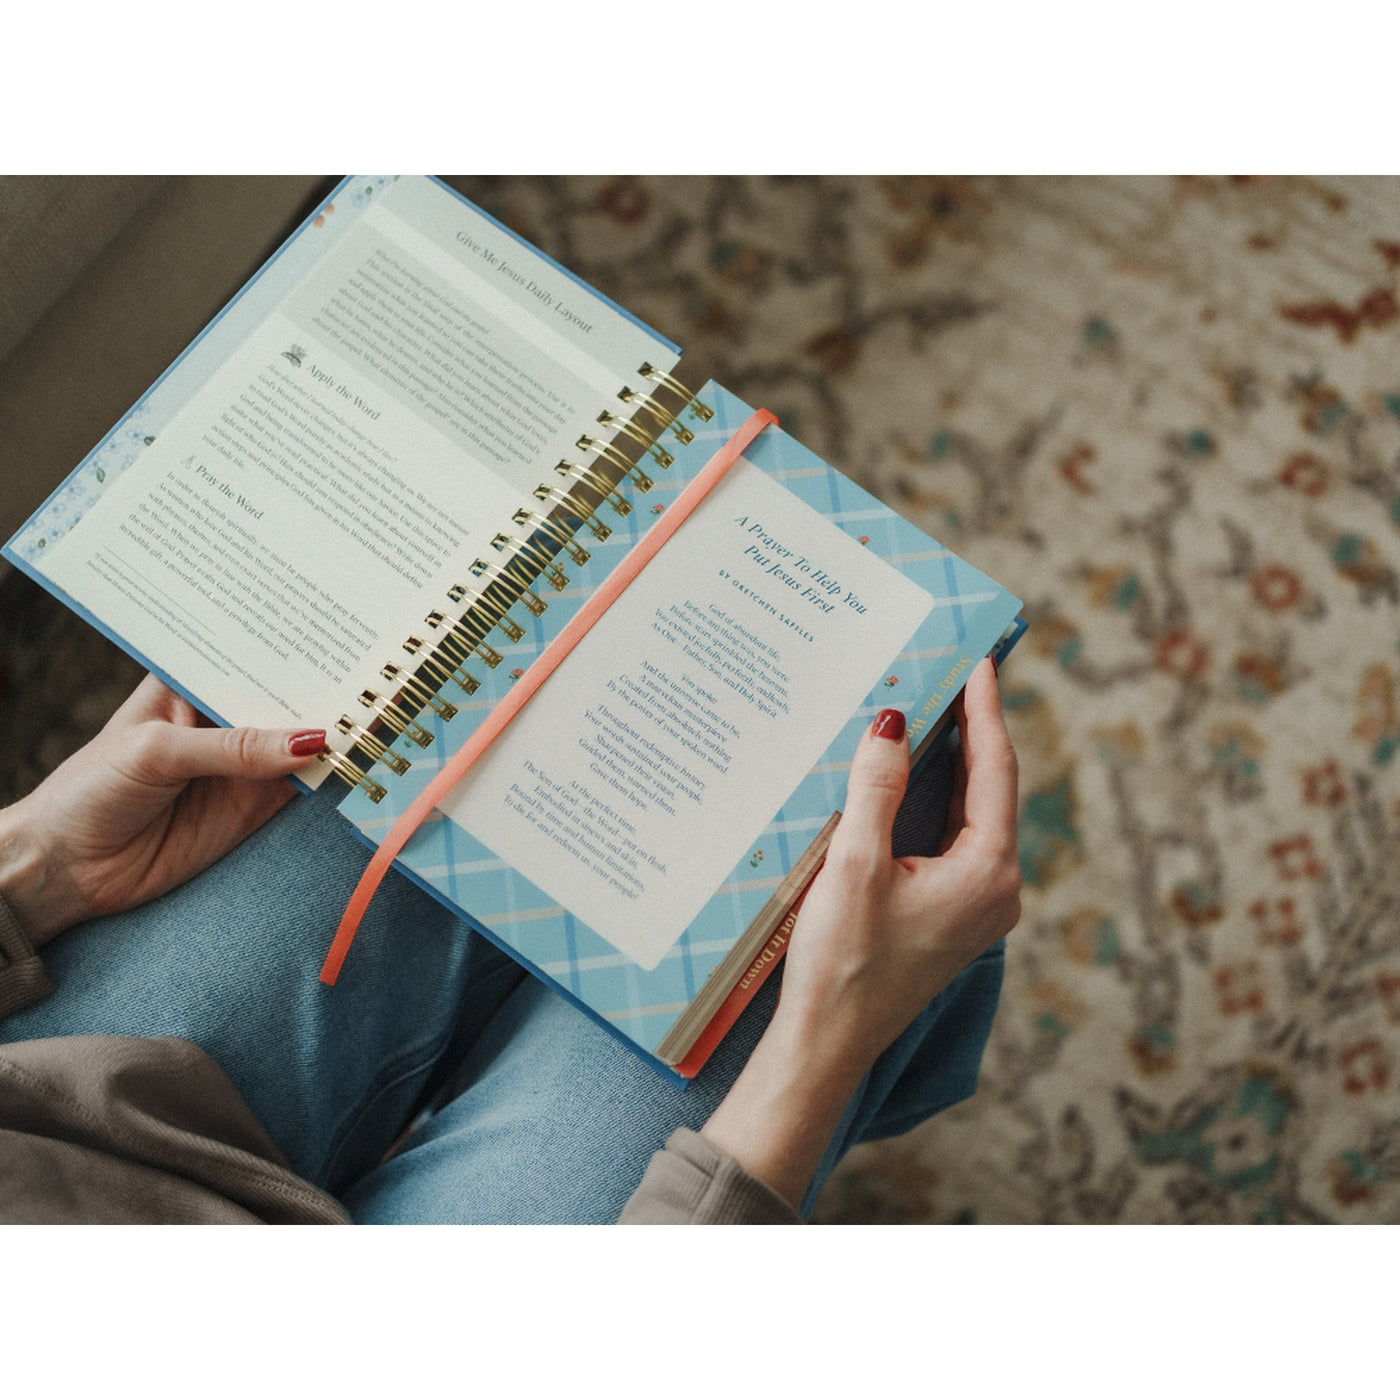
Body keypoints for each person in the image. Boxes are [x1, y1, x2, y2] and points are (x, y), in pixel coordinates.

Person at [0, 660, 1020, 1224]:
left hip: (58, 1106)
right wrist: (818, 1048)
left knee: (451, 691)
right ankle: (878, 1069)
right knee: (888, 791)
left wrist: (35, 864)